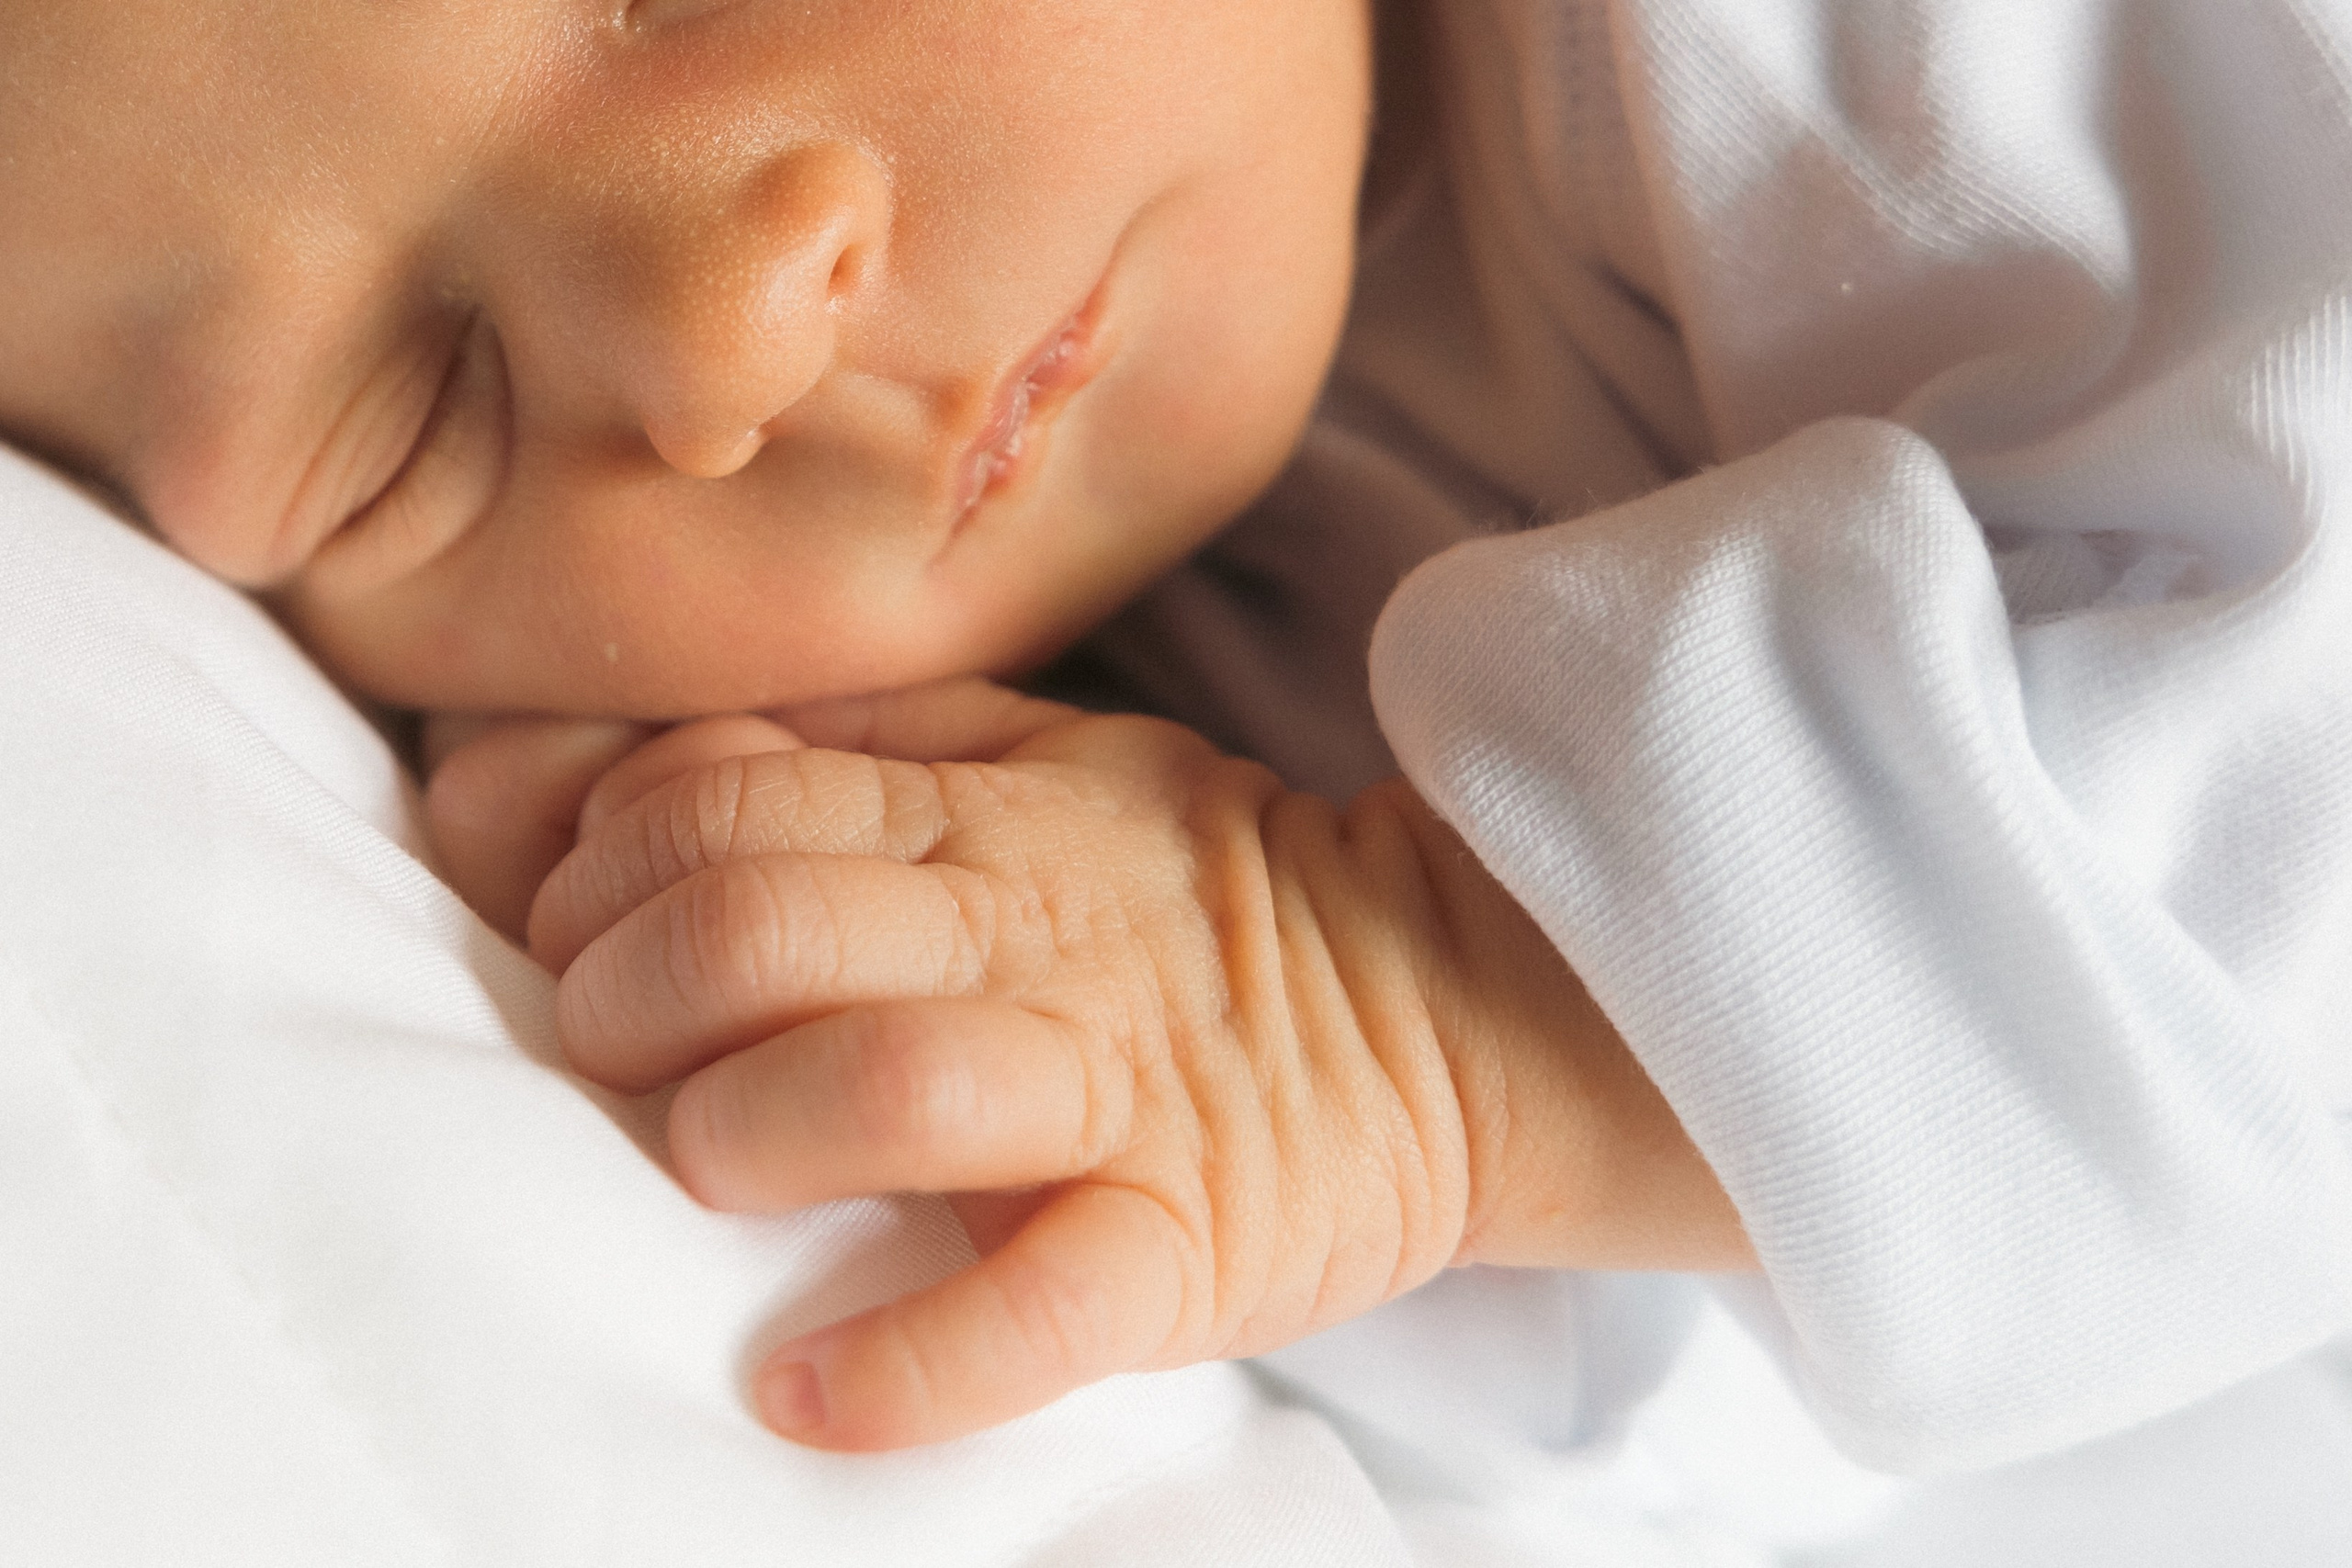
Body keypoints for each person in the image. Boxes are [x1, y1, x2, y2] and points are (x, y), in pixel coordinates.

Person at [3, 0, 2347, 1503]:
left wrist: (1448, 1009)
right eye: (415, 425)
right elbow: (1680, 1399)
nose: (723, 333)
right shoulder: (1116, 706)